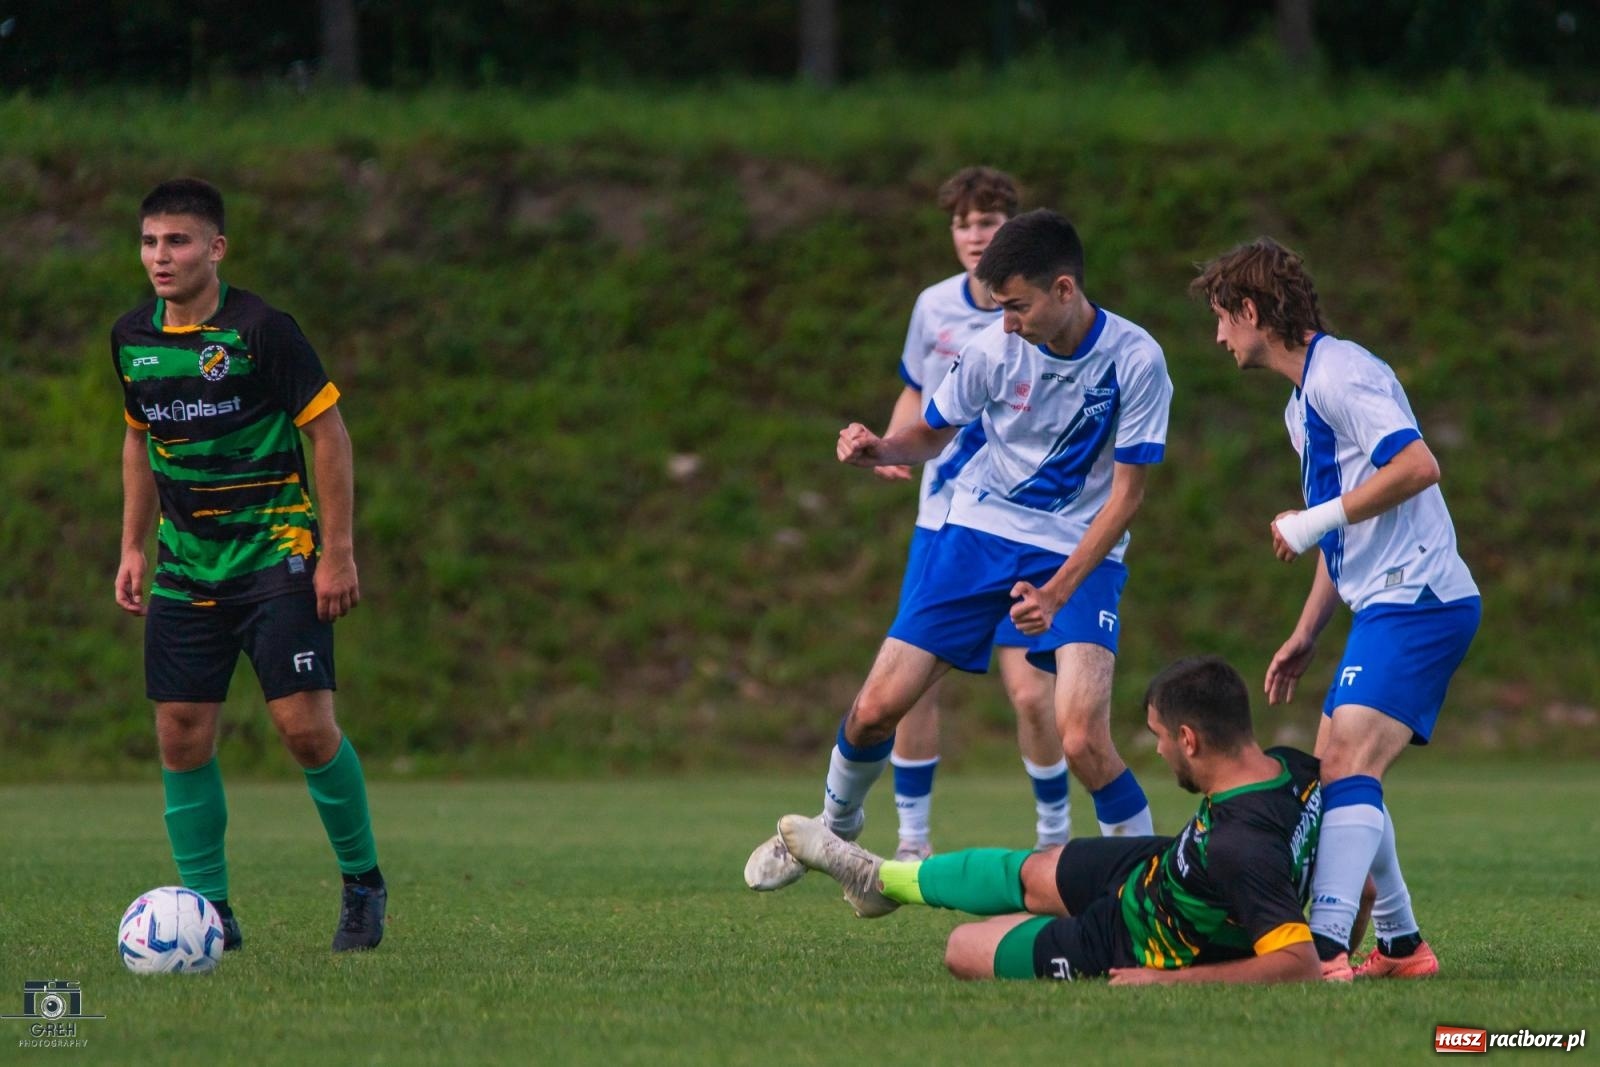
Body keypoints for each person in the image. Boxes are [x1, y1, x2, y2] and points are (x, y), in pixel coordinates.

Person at [746, 209, 1173, 894]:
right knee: (876, 705)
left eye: (1017, 306)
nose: (1006, 321)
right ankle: (835, 830)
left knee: (1082, 737)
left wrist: (1060, 589)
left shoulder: (1136, 360)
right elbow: (931, 434)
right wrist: (879, 448)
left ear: (1064, 290)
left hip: (1079, 551)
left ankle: (1158, 889)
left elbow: (1126, 496)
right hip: (977, 532)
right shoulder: (991, 348)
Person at [1190, 237, 1480, 981]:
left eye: (1223, 318)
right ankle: (1401, 944)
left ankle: (1322, 949)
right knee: (1335, 772)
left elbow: (1417, 465)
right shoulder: (1302, 402)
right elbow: (1345, 524)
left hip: (1419, 598)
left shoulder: (1343, 374)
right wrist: (1306, 631)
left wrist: (1315, 521)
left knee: (1349, 762)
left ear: (1252, 312)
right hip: (1382, 603)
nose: (1219, 336)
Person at [112, 178, 387, 952]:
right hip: (187, 568)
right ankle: (209, 914)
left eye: (177, 241)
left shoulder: (262, 330)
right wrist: (133, 545)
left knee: (303, 728)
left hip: (276, 555)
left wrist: (338, 552)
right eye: (149, 241)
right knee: (181, 733)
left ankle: (363, 883)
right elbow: (139, 439)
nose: (160, 257)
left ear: (215, 248)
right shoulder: (132, 337)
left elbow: (327, 433)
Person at [779, 656, 1323, 985]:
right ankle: (877, 880)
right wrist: (1344, 939)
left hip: (1141, 941)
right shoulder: (1294, 770)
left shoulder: (1241, 846)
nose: (1157, 751)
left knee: (963, 948)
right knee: (1034, 872)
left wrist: (1168, 983)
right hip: (1163, 866)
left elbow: (1298, 964)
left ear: (1189, 739)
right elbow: (1358, 878)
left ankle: (895, 886)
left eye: (1159, 736)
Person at [878, 167, 1070, 861]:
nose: (973, 234)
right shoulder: (933, 308)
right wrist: (893, 445)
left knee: (1029, 693)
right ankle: (911, 840)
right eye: (962, 223)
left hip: (1021, 525)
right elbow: (914, 392)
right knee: (913, 687)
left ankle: (1054, 837)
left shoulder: (1041, 310)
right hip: (943, 524)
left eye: (987, 222)